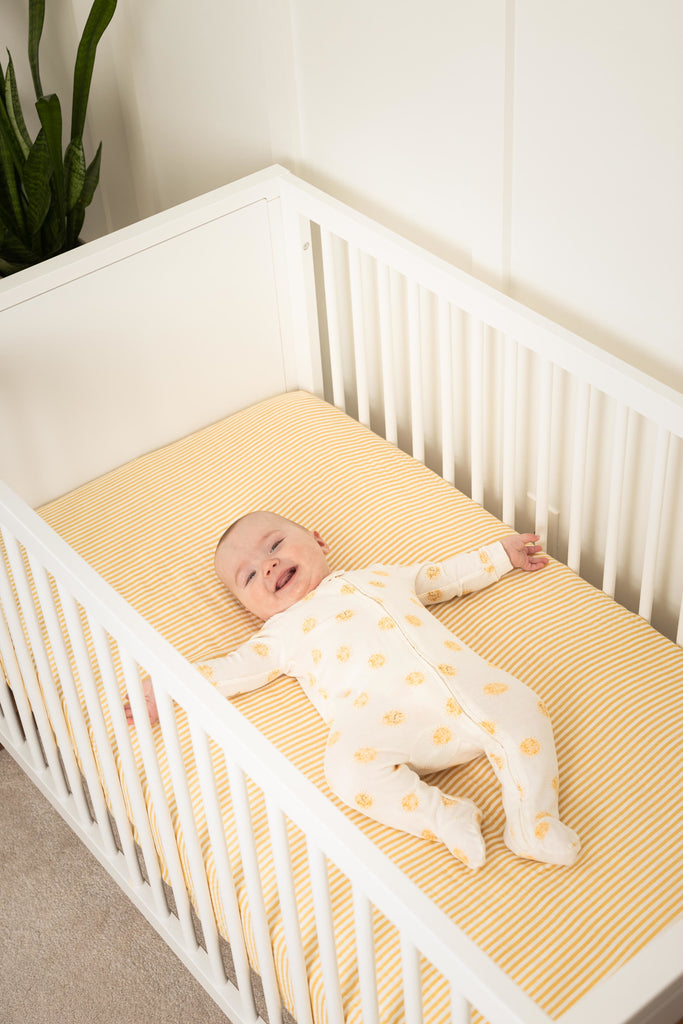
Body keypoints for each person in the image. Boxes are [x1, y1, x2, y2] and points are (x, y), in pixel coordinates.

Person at [131, 510, 580, 869]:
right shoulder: (281, 633)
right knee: (345, 769)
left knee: (524, 708)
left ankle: (531, 820)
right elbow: (232, 670)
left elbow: (440, 577)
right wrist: (167, 686)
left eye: (274, 545)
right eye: (248, 577)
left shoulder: (379, 577)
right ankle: (443, 816)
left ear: (318, 540)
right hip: (388, 722)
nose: (265, 564)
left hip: (465, 687)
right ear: (251, 609)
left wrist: (500, 556)